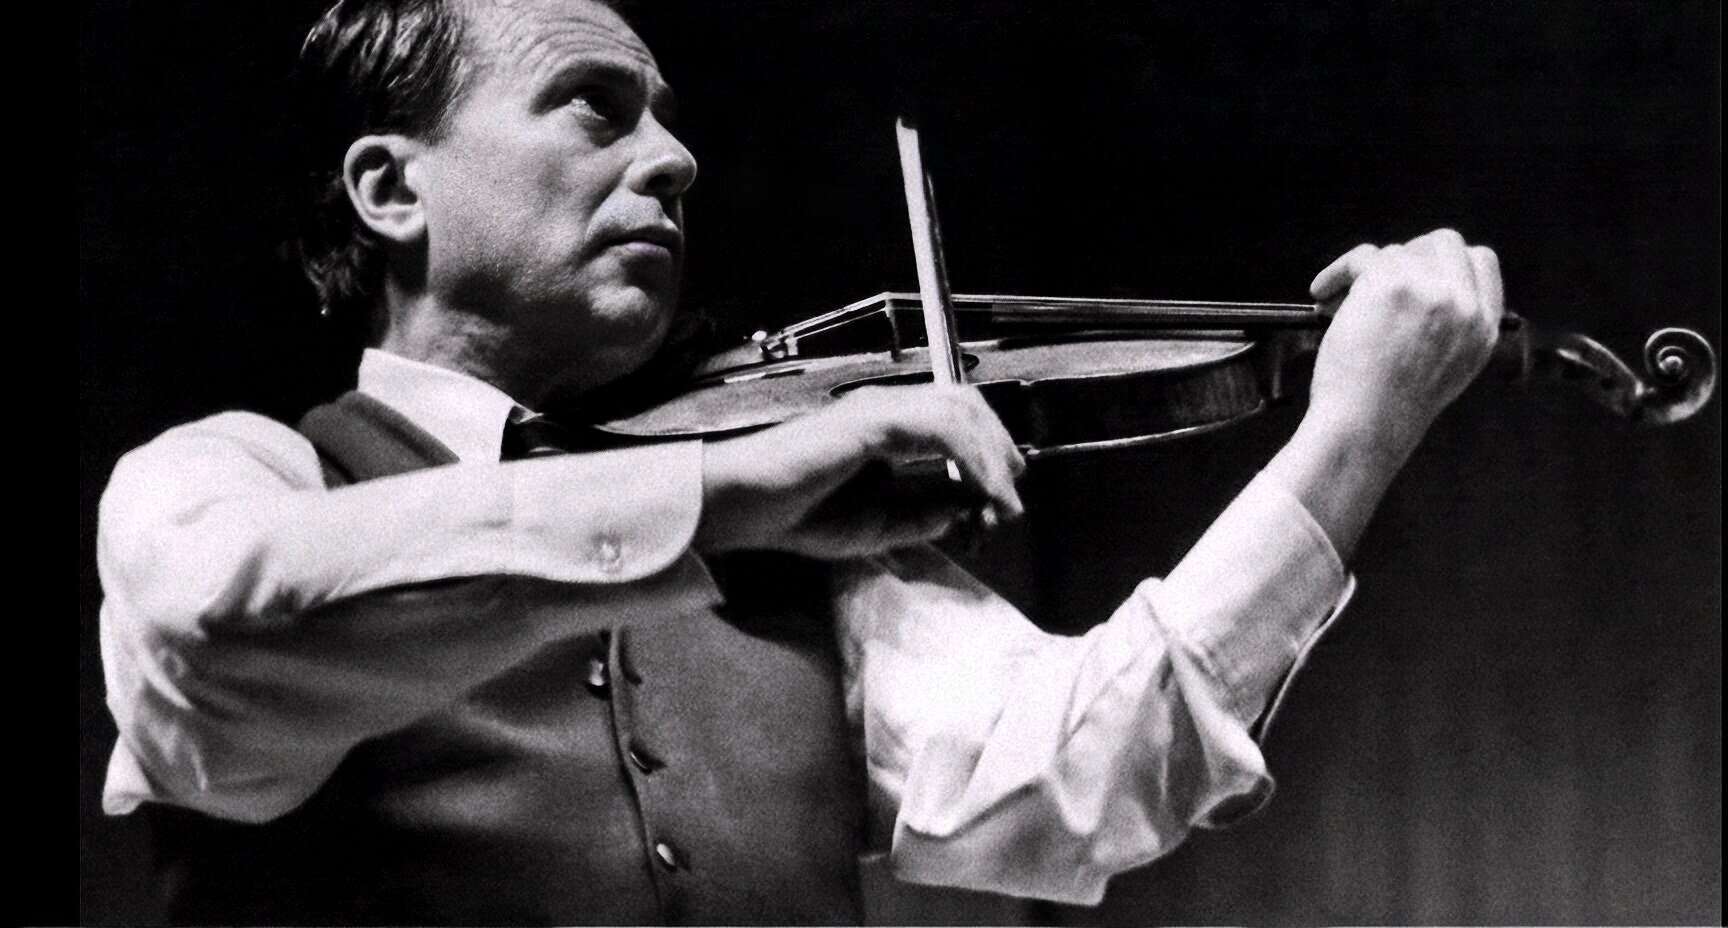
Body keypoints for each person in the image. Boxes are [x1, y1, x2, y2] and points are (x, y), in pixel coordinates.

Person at [94, 0, 1503, 923]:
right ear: (391, 188)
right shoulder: (237, 475)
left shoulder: (795, 560)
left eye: (665, 113)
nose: (678, 158)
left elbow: (1088, 773)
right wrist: (728, 497)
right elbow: (219, 619)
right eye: (595, 105)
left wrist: (1354, 434)